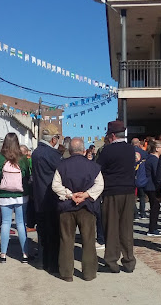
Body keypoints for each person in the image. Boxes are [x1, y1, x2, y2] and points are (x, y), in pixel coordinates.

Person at [52, 137, 104, 282]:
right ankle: (89, 273)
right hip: (87, 207)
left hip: (67, 207)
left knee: (66, 240)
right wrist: (86, 195)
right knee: (88, 240)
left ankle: (67, 273)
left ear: (69, 150)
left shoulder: (62, 166)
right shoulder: (93, 166)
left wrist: (70, 194)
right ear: (83, 150)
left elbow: (55, 185)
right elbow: (100, 185)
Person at [97, 120, 136, 273]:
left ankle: (112, 261)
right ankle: (129, 261)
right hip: (128, 191)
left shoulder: (107, 151)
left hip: (111, 191)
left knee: (111, 227)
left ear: (112, 135)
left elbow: (98, 169)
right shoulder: (131, 150)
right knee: (126, 228)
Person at [31, 124, 62, 274]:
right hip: (51, 197)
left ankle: (41, 261)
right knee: (53, 233)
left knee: (42, 232)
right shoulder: (52, 154)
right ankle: (52, 263)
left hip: (38, 196)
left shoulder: (36, 152)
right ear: (53, 139)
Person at [0, 132, 31, 264]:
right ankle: (25, 254)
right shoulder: (23, 158)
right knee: (21, 223)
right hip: (21, 195)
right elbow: (27, 175)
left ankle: (3, 254)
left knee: (5, 223)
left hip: (4, 194)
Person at [145, 139, 161, 236]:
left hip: (150, 185)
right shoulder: (154, 160)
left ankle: (153, 228)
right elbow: (157, 175)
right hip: (152, 186)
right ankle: (152, 229)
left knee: (155, 207)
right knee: (155, 207)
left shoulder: (149, 158)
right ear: (157, 149)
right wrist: (160, 188)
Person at [134, 145, 148, 218]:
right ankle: (142, 213)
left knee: (133, 198)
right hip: (142, 182)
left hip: (134, 182)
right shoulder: (143, 163)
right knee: (142, 198)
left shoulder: (133, 165)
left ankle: (135, 213)